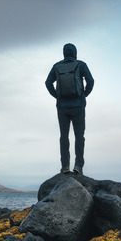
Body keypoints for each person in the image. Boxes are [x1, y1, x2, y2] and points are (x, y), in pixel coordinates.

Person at [45, 43, 94, 174]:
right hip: (78, 105)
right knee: (79, 136)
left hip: (62, 107)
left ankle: (65, 166)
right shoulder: (81, 64)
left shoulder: (57, 66)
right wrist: (84, 95)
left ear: (64, 53)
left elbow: (48, 83)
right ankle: (78, 166)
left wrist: (57, 96)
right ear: (74, 52)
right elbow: (91, 81)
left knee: (64, 136)